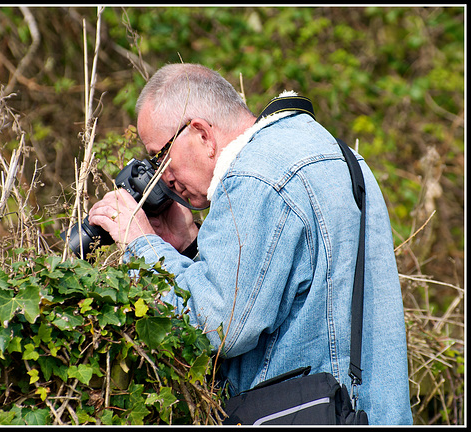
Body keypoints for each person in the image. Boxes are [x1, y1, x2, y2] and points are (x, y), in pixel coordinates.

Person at [87, 63, 412, 425]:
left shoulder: (255, 177)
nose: (162, 176)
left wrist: (141, 241)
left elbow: (216, 328)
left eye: (160, 155)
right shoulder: (343, 156)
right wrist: (189, 243)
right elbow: (291, 292)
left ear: (201, 134)